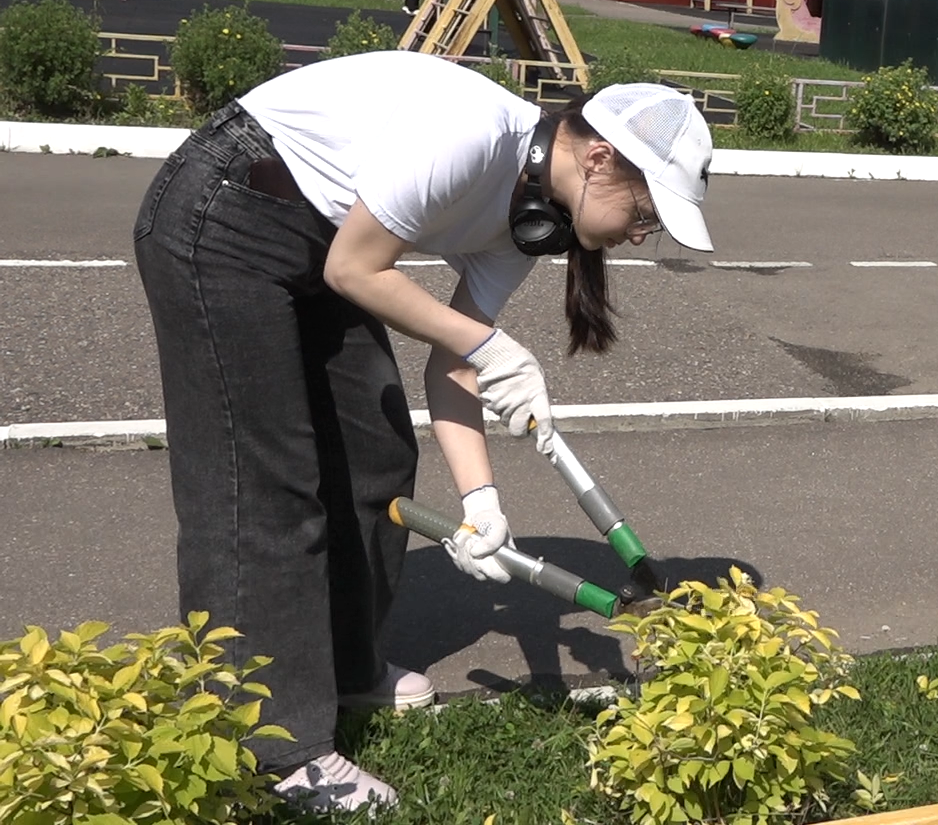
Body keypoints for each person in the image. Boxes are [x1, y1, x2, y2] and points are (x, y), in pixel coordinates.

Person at [132, 52, 715, 814]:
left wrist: (481, 503)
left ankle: (342, 670)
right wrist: (491, 346)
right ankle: (273, 750)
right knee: (265, 488)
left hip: (327, 240)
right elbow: (358, 272)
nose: (640, 235)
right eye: (645, 215)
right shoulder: (473, 138)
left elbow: (454, 362)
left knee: (375, 452)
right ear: (599, 159)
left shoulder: (530, 218)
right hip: (228, 213)